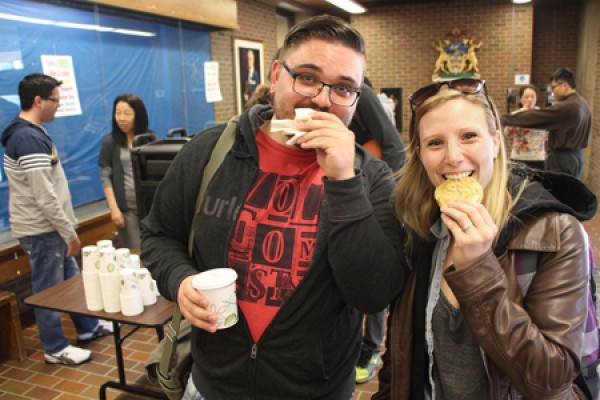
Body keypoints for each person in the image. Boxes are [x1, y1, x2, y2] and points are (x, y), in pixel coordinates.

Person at [141, 15, 407, 400]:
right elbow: (158, 234)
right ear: (277, 74)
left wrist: (344, 181)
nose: (322, 99)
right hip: (213, 384)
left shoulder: (372, 177)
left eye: (344, 88)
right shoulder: (212, 150)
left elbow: (372, 294)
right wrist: (180, 280)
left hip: (317, 390)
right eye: (309, 77)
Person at [374, 78, 599, 399]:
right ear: (420, 154)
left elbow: (552, 378)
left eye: (469, 136)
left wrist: (478, 270)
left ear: (495, 142)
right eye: (435, 143)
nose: (453, 157)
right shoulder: (422, 227)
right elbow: (401, 355)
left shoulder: (557, 232)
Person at [1, 73, 111, 365]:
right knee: (49, 290)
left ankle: (88, 328)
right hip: (43, 229)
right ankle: (54, 347)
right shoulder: (26, 137)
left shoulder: (33, 132)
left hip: (52, 227)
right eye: (55, 101)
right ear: (38, 101)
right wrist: (69, 233)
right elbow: (44, 195)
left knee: (71, 282)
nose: (58, 107)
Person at [349, 79, 406, 384]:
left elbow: (395, 147)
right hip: (345, 188)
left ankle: (370, 348)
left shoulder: (363, 94)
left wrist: (389, 196)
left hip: (375, 190)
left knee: (373, 267)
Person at [501, 67, 591, 178]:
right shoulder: (583, 103)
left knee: (559, 191)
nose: (552, 92)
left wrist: (502, 118)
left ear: (565, 85)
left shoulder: (567, 106)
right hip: (574, 156)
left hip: (562, 158)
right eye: (526, 96)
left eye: (553, 87)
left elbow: (536, 117)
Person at [99, 93, 152, 253]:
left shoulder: (149, 139)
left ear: (138, 115)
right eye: (118, 112)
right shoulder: (111, 141)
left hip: (148, 208)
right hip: (126, 209)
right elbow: (105, 176)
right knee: (135, 252)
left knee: (153, 248)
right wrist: (114, 209)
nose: (121, 118)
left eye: (127, 113)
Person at [504, 85, 548, 170]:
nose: (530, 100)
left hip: (537, 157)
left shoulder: (542, 114)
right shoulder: (516, 114)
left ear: (536, 98)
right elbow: (507, 132)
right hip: (519, 157)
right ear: (520, 99)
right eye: (526, 97)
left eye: (532, 96)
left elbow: (548, 133)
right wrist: (521, 115)